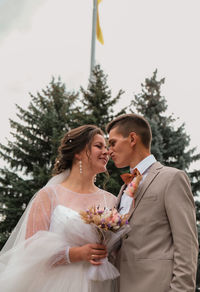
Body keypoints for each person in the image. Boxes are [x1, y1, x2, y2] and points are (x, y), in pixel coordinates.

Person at [0, 125, 118, 292]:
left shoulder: (111, 200)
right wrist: (75, 254)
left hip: (101, 284)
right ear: (77, 153)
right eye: (99, 146)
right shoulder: (48, 196)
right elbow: (31, 252)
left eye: (106, 147)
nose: (106, 152)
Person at [106, 113, 199, 292]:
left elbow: (186, 244)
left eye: (113, 143)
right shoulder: (123, 189)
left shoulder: (172, 178)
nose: (109, 151)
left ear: (132, 138)